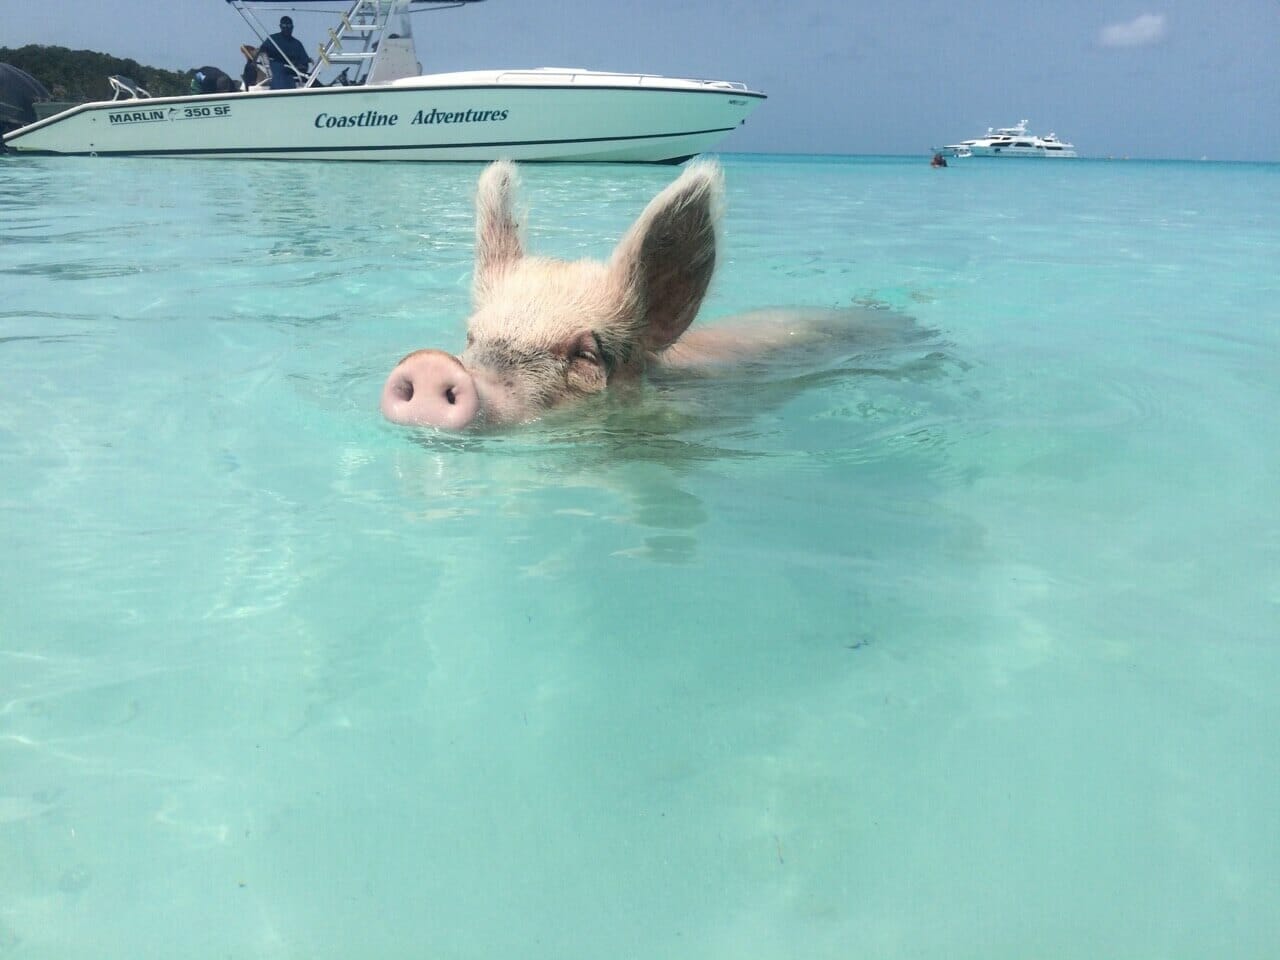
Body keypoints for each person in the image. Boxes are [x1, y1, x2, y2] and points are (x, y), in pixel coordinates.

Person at [256, 16, 312, 90]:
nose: (286, 28)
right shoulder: (273, 39)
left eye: (289, 25)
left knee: (312, 79)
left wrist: (298, 67)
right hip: (277, 71)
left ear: (292, 27)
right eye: (284, 25)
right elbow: (262, 52)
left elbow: (305, 64)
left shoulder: (297, 44)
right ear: (280, 26)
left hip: (294, 71)